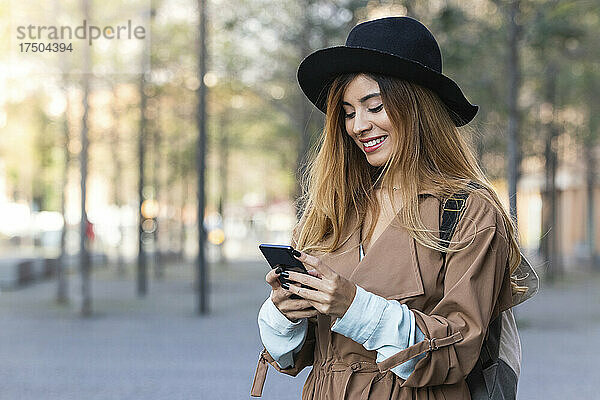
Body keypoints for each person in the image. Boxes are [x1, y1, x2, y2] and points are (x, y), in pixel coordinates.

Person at [251, 16, 526, 400]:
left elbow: (458, 350)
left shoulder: (468, 211)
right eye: (347, 112)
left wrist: (354, 306)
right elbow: (295, 357)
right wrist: (285, 313)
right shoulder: (331, 211)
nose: (357, 125)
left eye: (373, 107)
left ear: (417, 107)